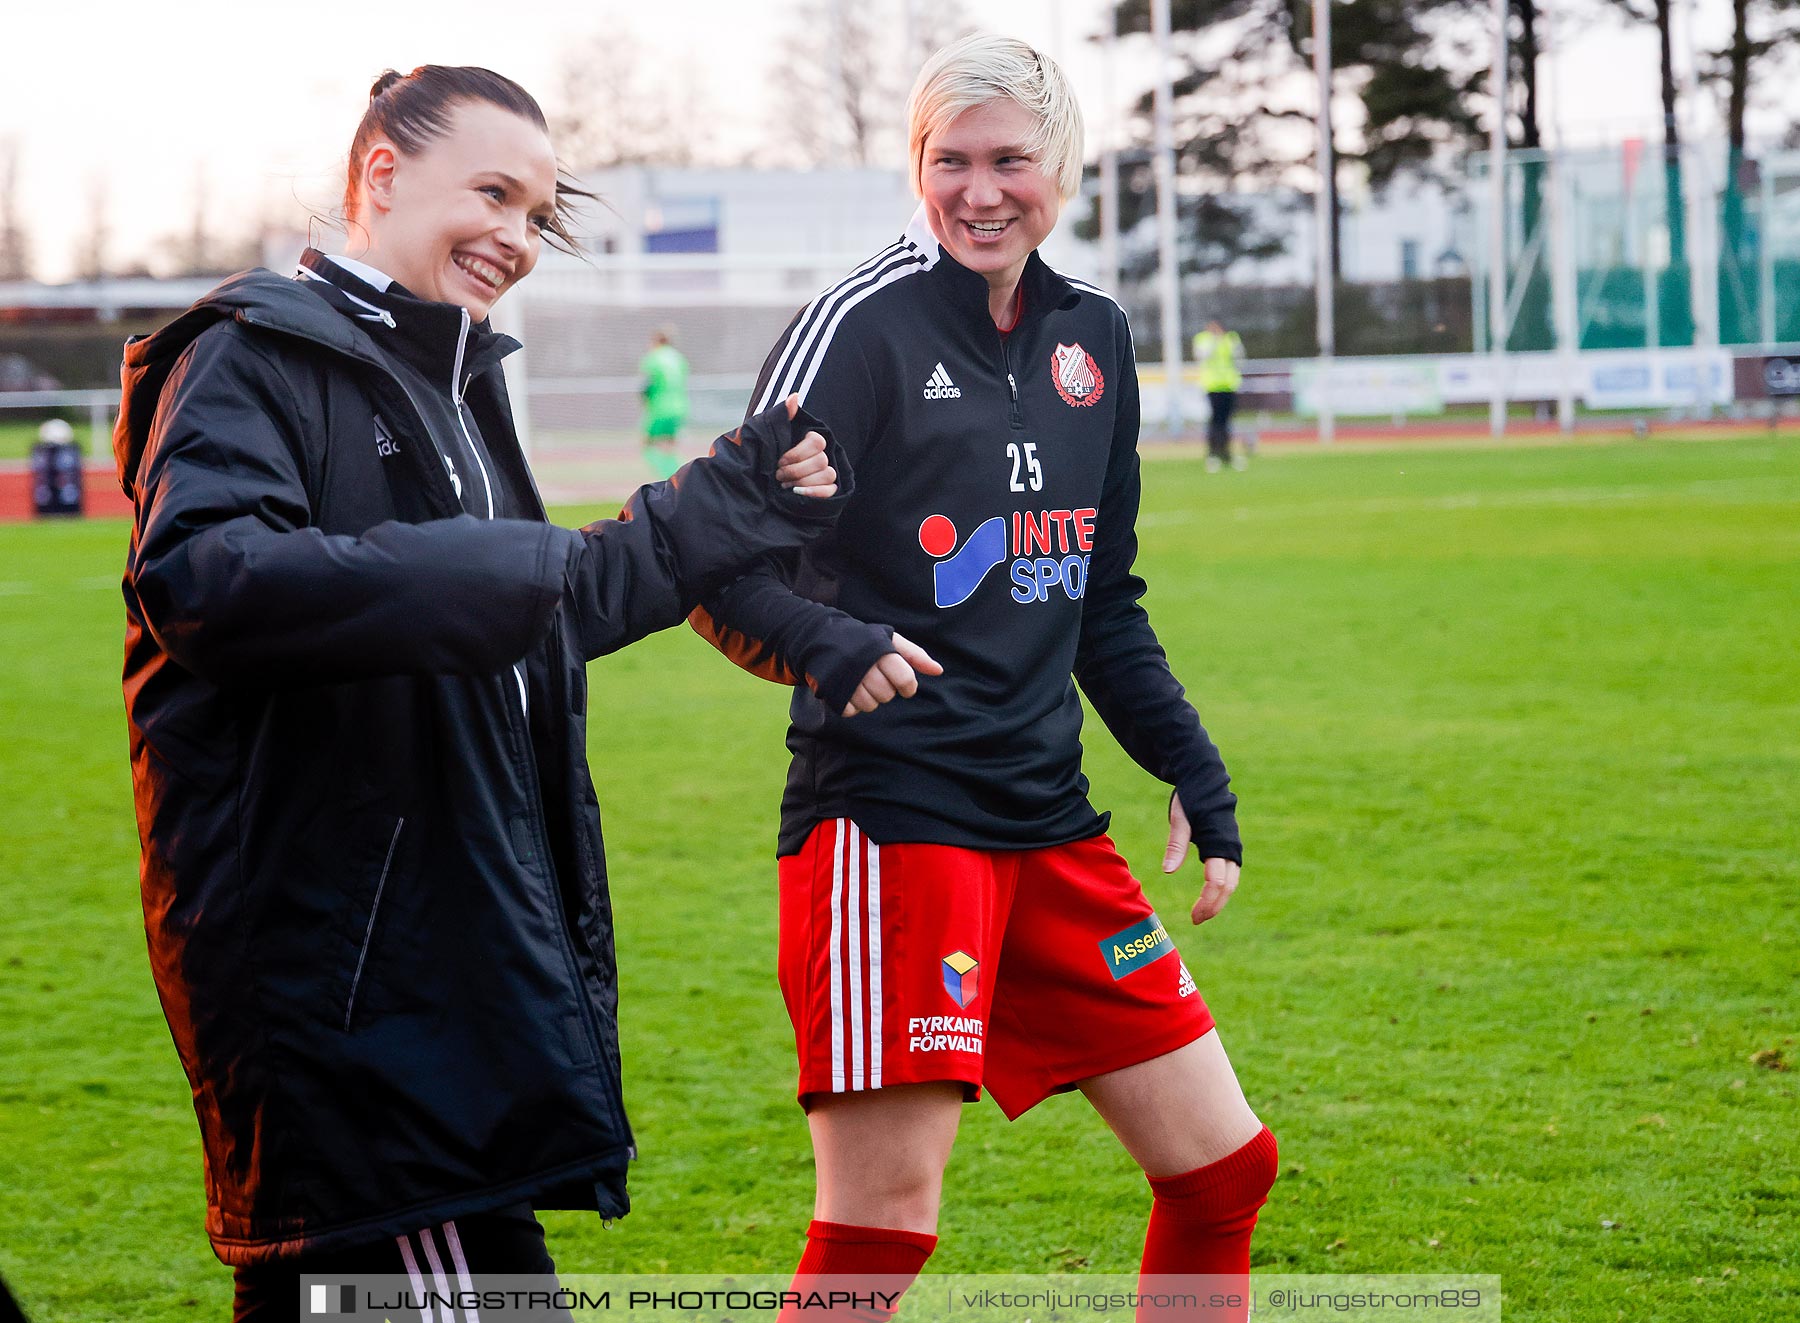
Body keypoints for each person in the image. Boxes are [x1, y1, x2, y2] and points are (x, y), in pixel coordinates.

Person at [114, 66, 870, 1322]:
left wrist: (739, 500)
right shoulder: (252, 356)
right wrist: (498, 570)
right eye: (492, 194)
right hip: (362, 1000)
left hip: (430, 979)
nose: (516, 238)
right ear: (379, 175)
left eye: (537, 214)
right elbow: (205, 580)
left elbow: (550, 608)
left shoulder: (449, 378)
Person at [691, 34, 1276, 1323]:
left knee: (1226, 1168)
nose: (979, 191)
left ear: (1061, 165)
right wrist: (829, 647)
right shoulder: (860, 328)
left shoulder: (1095, 338)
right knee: (880, 1232)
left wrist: (1189, 764)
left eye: (1011, 160)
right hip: (892, 826)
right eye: (946, 161)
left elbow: (1097, 596)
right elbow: (715, 564)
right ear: (916, 166)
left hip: (1050, 824)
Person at [1192, 318, 1245, 471]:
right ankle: (1213, 454)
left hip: (1229, 384)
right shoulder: (1203, 339)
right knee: (1215, 421)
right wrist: (1215, 341)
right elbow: (1202, 357)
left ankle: (1226, 453)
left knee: (1226, 421)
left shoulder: (1231, 338)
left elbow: (1239, 358)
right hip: (1212, 385)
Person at [640, 327, 689, 480]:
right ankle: (678, 478)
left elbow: (646, 385)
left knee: (647, 444)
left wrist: (645, 402)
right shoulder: (679, 358)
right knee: (670, 446)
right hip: (680, 407)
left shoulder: (653, 358)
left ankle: (669, 480)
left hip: (659, 408)